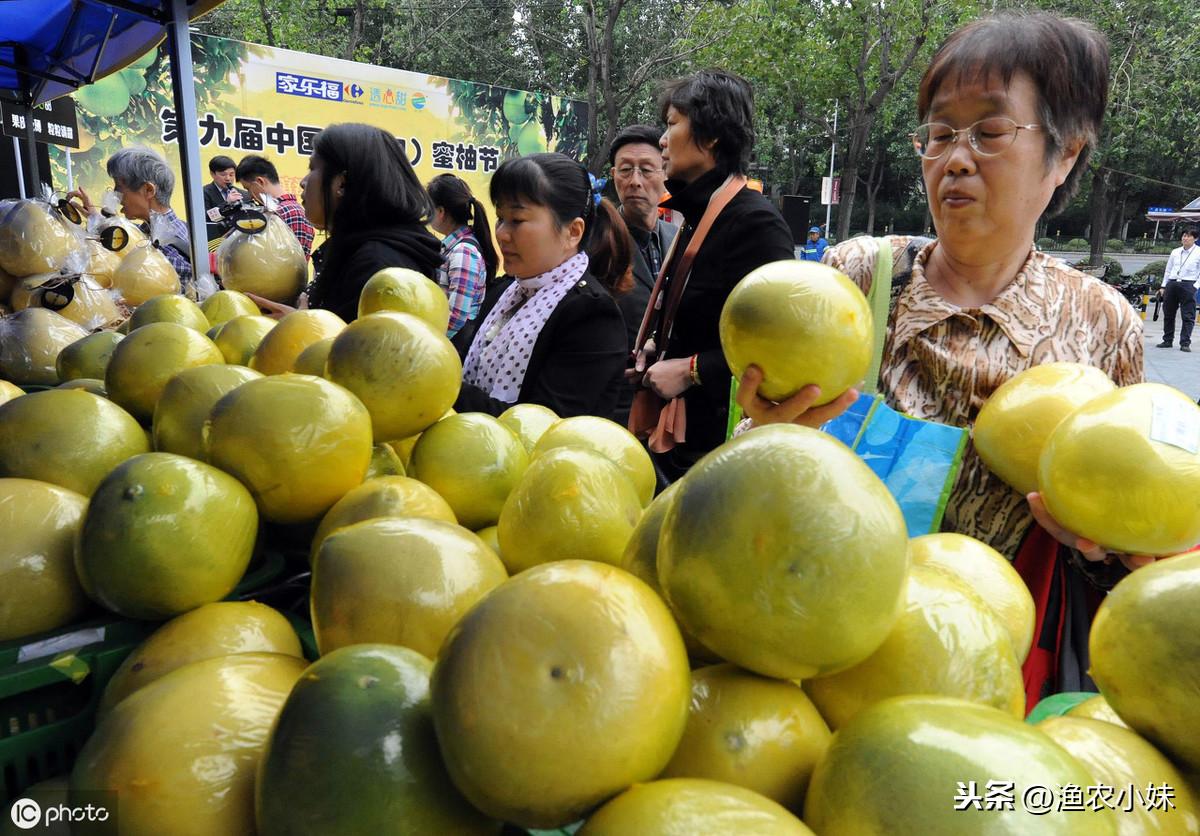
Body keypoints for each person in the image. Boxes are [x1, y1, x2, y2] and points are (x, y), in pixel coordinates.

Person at [734, 13, 1145, 703]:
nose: (955, 158)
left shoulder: (1102, 325)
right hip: (813, 643)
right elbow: (754, 469)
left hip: (990, 677)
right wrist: (765, 433)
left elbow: (1131, 548)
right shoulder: (857, 279)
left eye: (988, 132)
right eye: (938, 133)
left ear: (1066, 153)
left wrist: (1104, 545)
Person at [632, 68, 795, 481]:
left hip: (716, 452)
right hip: (680, 440)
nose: (662, 141)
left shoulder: (755, 222)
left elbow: (779, 345)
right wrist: (658, 346)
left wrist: (692, 370)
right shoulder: (696, 213)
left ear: (712, 136)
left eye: (671, 125)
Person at [456, 153, 630, 419]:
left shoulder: (591, 315)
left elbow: (541, 426)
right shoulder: (504, 292)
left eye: (517, 220)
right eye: (500, 218)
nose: (501, 233)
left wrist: (444, 388)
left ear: (573, 232)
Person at [247, 123, 442, 322]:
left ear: (341, 183)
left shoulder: (377, 267)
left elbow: (365, 349)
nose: (303, 182)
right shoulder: (363, 250)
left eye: (312, 168)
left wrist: (303, 325)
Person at [609, 124, 680, 424]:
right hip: (612, 401)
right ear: (613, 176)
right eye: (625, 170)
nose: (635, 181)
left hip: (670, 403)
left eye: (646, 170)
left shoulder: (679, 238)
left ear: (665, 174)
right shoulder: (596, 241)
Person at [66, 145, 193, 290]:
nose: (115, 196)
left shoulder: (168, 248)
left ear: (148, 190)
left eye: (119, 188)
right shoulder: (149, 231)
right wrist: (96, 219)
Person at [426, 173, 500, 349]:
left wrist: (430, 344)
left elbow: (457, 315)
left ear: (441, 212)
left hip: (453, 349)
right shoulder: (455, 247)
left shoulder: (463, 252)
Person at [235, 154, 315, 260]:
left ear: (260, 182)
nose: (250, 195)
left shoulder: (289, 212)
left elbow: (292, 262)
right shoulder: (282, 211)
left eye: (248, 188)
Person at [1156, 227, 1199, 351]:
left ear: (1195, 238)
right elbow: (1168, 270)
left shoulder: (1198, 252)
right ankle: (1167, 340)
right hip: (1172, 284)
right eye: (1184, 236)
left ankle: (1185, 343)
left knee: (1188, 315)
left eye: (1188, 236)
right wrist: (1163, 286)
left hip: (1188, 284)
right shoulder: (1175, 252)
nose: (1185, 238)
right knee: (1168, 313)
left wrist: (1195, 286)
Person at [203, 155, 248, 242]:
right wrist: (227, 204)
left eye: (231, 174)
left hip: (241, 240)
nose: (228, 179)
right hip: (215, 242)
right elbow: (206, 218)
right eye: (223, 174)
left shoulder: (244, 194)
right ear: (212, 174)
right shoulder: (203, 193)